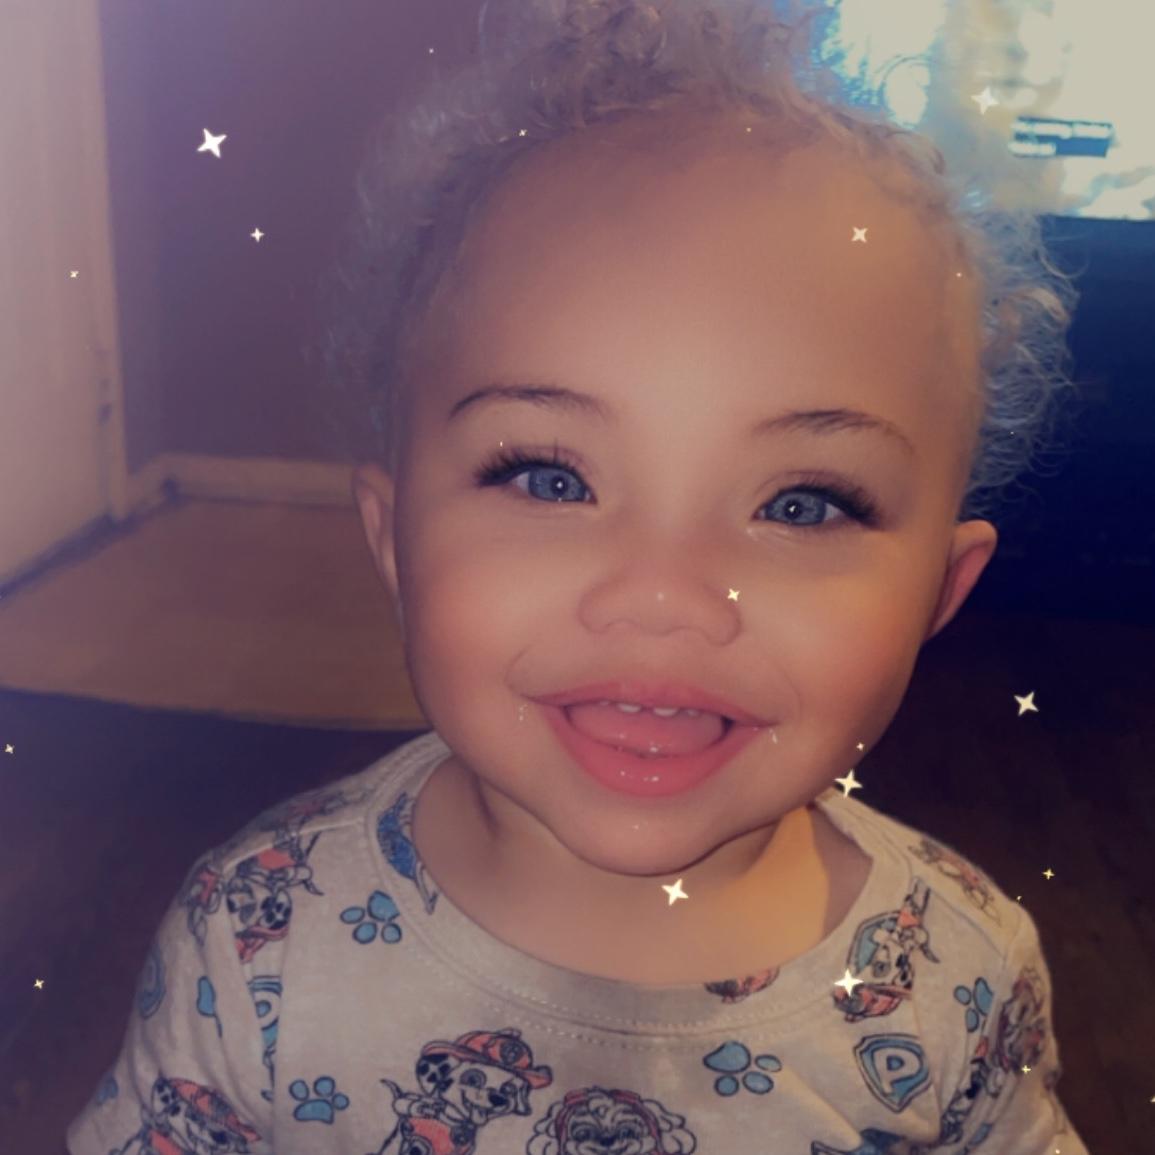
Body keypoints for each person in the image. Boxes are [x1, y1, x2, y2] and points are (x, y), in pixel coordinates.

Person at [68, 2, 1090, 1152]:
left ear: (939, 594)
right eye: (550, 478)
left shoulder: (955, 983)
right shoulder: (257, 940)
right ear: (396, 538)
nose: (663, 595)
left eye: (802, 503)